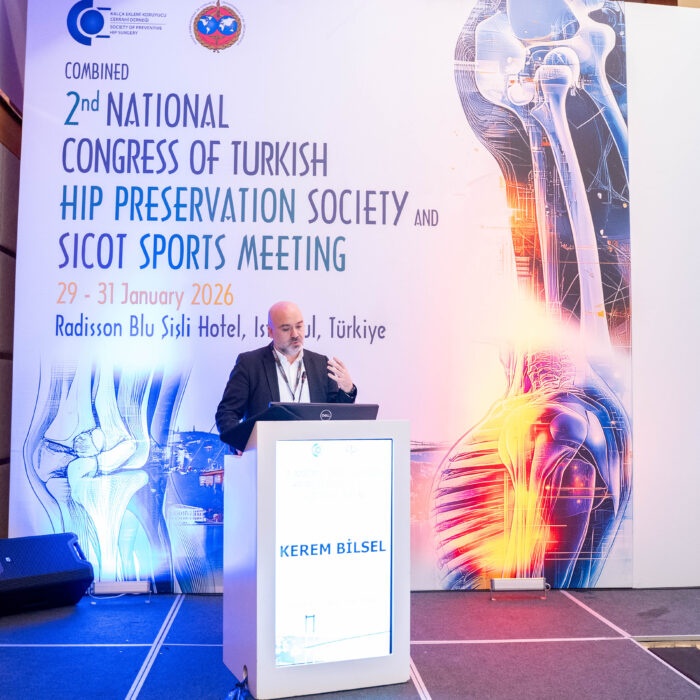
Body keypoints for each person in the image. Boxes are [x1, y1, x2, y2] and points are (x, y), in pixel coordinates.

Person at [215, 301, 357, 442]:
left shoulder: (321, 363)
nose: (295, 334)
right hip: (268, 450)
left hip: (314, 450)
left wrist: (347, 390)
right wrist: (240, 443)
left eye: (299, 326)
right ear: (270, 331)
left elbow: (332, 414)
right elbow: (227, 413)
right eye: (286, 329)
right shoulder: (250, 364)